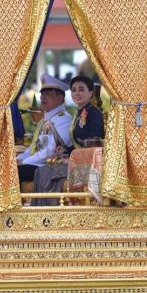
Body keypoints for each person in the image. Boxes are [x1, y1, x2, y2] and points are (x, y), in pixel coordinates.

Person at [32, 75, 104, 203]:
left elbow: (93, 144)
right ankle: (41, 213)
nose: (77, 93)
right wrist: (65, 150)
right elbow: (78, 143)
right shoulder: (79, 113)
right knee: (41, 171)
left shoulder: (94, 113)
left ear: (91, 92)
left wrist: (71, 158)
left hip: (88, 165)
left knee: (44, 172)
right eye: (74, 90)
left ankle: (50, 213)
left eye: (81, 89)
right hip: (77, 161)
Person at [17, 73, 73, 185]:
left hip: (49, 166)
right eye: (42, 94)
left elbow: (51, 150)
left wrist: (24, 162)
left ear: (60, 98)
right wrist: (19, 158)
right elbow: (34, 147)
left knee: (14, 173)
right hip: (37, 164)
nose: (43, 97)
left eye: (48, 94)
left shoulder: (64, 119)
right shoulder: (43, 121)